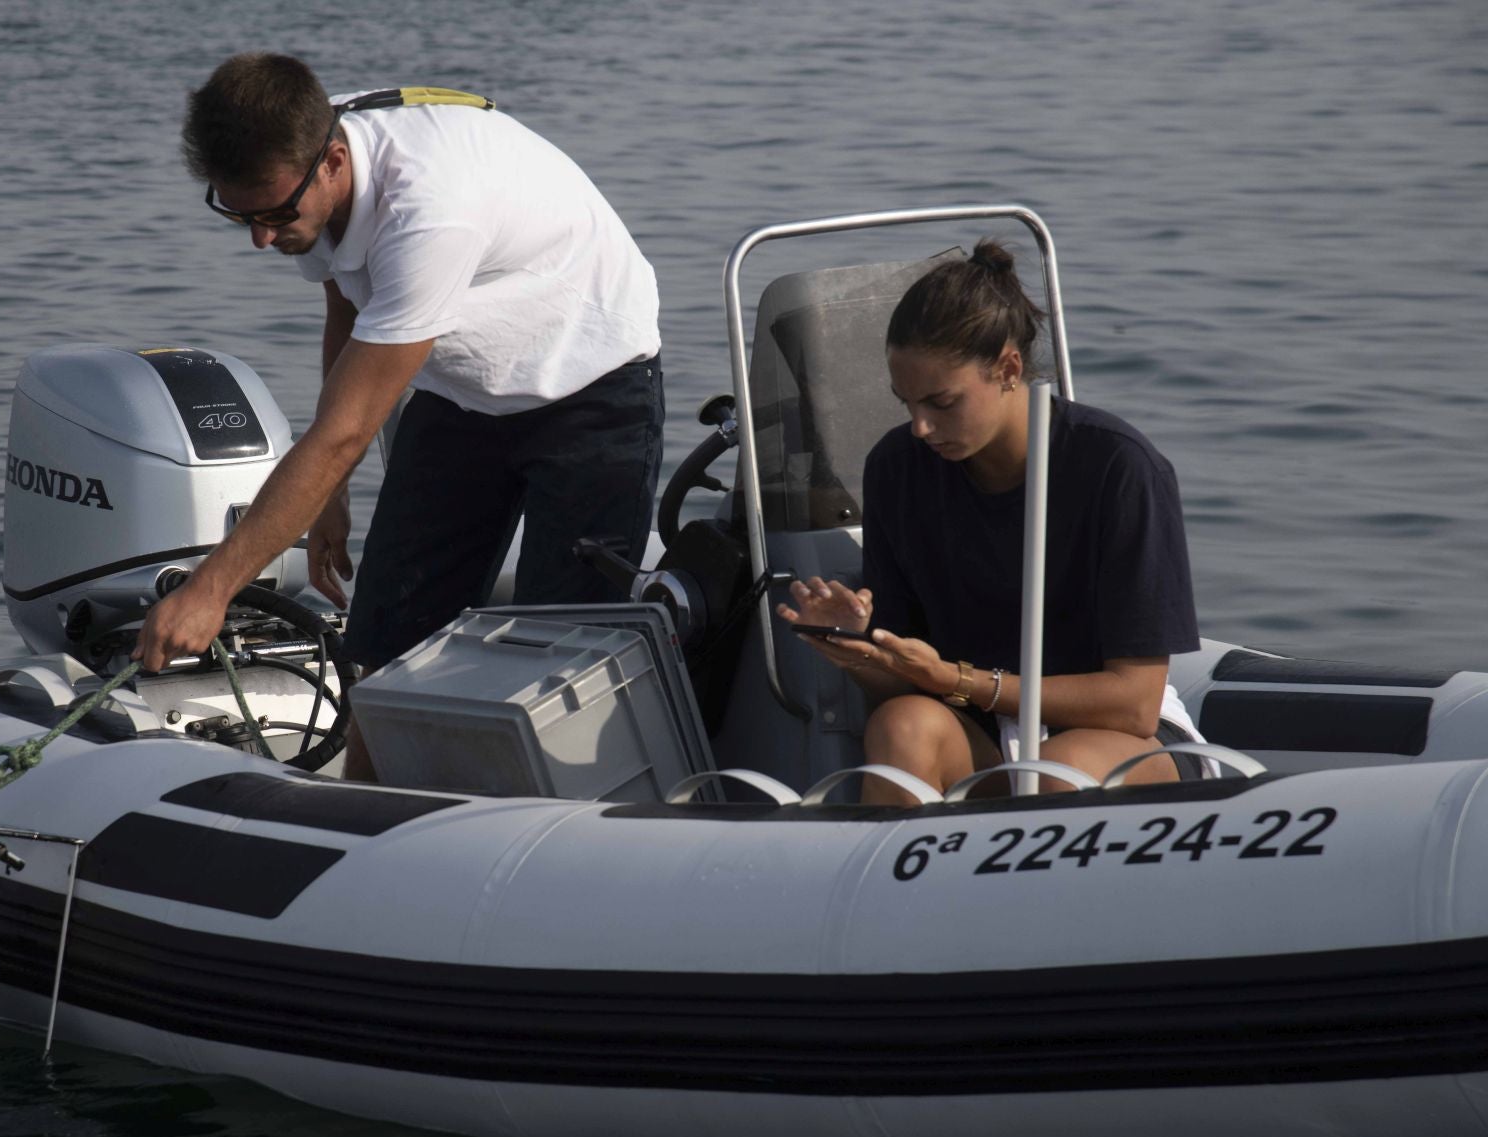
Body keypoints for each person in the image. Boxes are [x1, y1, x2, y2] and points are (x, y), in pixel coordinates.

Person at [134, 54, 664, 775]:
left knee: (559, 662)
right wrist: (329, 500)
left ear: (333, 163)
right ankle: (367, 837)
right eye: (238, 214)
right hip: (462, 393)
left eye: (273, 215)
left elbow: (344, 431)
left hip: (591, 384)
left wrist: (212, 589)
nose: (261, 238)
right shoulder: (302, 164)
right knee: (384, 657)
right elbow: (344, 304)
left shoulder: (429, 214)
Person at [776, 240, 1201, 804]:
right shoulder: (896, 469)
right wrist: (861, 652)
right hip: (974, 723)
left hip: (1117, 737)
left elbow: (1134, 703)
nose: (921, 427)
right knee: (901, 727)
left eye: (942, 402)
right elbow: (908, 684)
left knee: (1053, 774)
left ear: (1008, 367)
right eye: (906, 403)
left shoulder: (1119, 468)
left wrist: (957, 680)